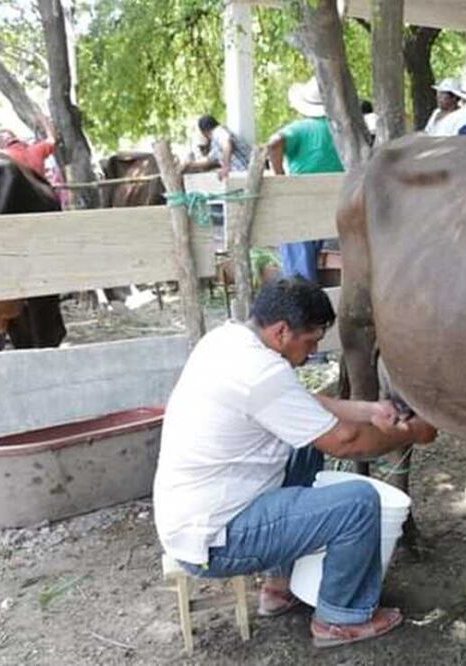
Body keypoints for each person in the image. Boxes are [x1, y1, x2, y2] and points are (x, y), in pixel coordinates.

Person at [153, 277, 437, 648]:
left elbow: (302, 404)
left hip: (198, 515)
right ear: (282, 331)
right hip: (216, 541)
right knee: (358, 504)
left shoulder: (229, 341)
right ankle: (338, 618)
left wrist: (371, 409)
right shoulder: (261, 373)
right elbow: (346, 443)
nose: (315, 349)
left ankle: (278, 585)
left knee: (303, 447)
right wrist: (412, 432)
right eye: (312, 340)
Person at [267, 78, 345, 283]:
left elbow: (273, 143)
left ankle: (302, 305)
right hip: (336, 199)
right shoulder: (341, 129)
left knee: (298, 265)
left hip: (302, 199)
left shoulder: (299, 128)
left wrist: (279, 175)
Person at [184, 115, 251, 181]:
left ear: (204, 132)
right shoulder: (216, 145)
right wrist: (189, 164)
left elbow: (226, 144)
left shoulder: (218, 131)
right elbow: (208, 161)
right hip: (241, 176)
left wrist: (225, 167)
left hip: (245, 173)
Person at [0, 114, 56, 180]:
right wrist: (44, 121)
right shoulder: (35, 149)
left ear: (0, 145)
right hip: (41, 187)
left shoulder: (0, 158)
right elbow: (52, 139)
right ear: (15, 137)